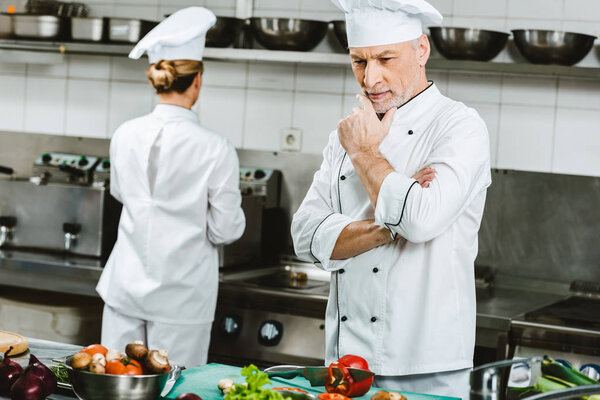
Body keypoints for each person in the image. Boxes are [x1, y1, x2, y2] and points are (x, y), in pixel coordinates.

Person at [291, 0, 492, 397]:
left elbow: (420, 222)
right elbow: (304, 235)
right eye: (359, 61)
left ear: (421, 50)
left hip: (425, 362)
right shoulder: (346, 134)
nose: (371, 78)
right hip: (345, 361)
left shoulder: (460, 126)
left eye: (385, 58)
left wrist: (366, 155)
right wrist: (392, 223)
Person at [96, 7, 245, 368]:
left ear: (155, 80)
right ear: (197, 81)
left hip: (124, 289)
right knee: (176, 390)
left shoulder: (124, 134)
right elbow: (226, 229)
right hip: (183, 296)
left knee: (117, 384)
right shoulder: (215, 146)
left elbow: (121, 194)